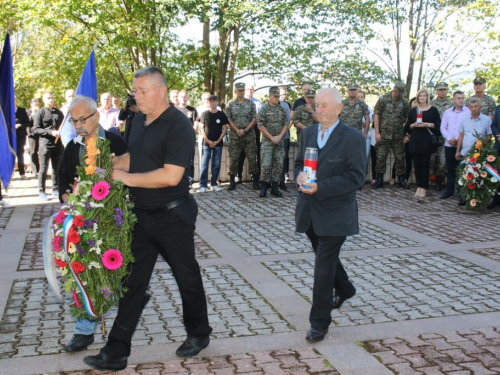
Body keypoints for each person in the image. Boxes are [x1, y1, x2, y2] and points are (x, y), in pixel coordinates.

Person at [83, 66, 212, 371]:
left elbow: (171, 175)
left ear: (161, 90)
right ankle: (115, 352)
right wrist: (105, 167)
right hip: (139, 216)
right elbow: (129, 157)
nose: (136, 97)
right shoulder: (137, 121)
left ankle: (199, 333)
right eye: (134, 91)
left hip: (173, 216)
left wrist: (124, 178)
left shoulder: (178, 125)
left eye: (142, 91)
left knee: (186, 277)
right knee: (132, 282)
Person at [57, 95, 129, 353]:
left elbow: (128, 177)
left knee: (111, 271)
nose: (78, 125)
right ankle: (84, 331)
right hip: (80, 224)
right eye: (74, 121)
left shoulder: (115, 142)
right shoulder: (72, 146)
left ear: (96, 116)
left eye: (82, 119)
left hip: (111, 222)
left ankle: (131, 294)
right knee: (82, 275)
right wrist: (72, 203)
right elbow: (63, 181)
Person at [295, 88, 366, 342]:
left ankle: (319, 322)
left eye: (325, 105)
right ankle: (345, 288)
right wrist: (299, 177)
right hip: (309, 211)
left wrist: (321, 187)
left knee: (323, 267)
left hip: (336, 213)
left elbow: (356, 177)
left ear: (339, 109)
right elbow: (297, 165)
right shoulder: (307, 133)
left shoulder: (352, 138)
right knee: (326, 257)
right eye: (317, 105)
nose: (319, 109)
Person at [372, 82, 410, 189]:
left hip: (398, 135)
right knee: (380, 157)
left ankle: (401, 179)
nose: (400, 95)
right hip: (384, 134)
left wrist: (407, 134)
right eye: (399, 92)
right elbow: (376, 115)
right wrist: (377, 132)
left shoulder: (404, 102)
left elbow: (407, 118)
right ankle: (379, 180)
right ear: (394, 90)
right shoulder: (383, 99)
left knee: (400, 158)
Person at [404, 89, 441, 199]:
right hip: (416, 140)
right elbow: (407, 126)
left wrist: (427, 124)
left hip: (427, 140)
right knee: (417, 164)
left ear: (427, 97)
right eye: (420, 96)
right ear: (417, 97)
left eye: (424, 96)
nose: (422, 98)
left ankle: (424, 187)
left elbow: (438, 125)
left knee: (425, 164)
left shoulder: (433, 110)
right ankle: (418, 185)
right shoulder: (413, 111)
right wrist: (413, 125)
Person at [455, 98, 492, 206]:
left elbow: (489, 136)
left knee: (478, 176)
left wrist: (482, 144)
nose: (473, 109)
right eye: (471, 107)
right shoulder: (464, 120)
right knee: (464, 175)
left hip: (479, 153)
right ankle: (463, 197)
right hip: (465, 152)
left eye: (476, 106)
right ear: (468, 108)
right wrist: (458, 151)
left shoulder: (486, 120)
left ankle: (477, 198)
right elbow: (461, 136)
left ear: (480, 107)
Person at [226, 82, 260, 190]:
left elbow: (254, 119)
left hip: (249, 135)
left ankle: (255, 180)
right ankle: (232, 180)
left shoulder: (251, 104)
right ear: (235, 91)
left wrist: (245, 130)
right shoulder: (230, 104)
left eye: (242, 90)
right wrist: (237, 130)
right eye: (239, 90)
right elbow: (228, 119)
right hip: (235, 135)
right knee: (234, 158)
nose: (241, 92)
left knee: (251, 158)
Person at [33, 90, 64, 201]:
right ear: (43, 99)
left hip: (58, 144)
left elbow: (63, 126)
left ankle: (55, 188)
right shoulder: (40, 113)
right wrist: (50, 132)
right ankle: (41, 191)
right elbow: (36, 129)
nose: (51, 100)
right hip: (45, 144)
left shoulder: (59, 113)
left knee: (57, 168)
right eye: (48, 98)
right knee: (44, 168)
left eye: (52, 97)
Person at [257, 87, 288, 197]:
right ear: (270, 96)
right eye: (275, 96)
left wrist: (279, 136)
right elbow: (260, 125)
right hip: (267, 141)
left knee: (278, 164)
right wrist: (271, 137)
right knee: (266, 164)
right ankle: (264, 186)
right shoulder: (264, 108)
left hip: (279, 141)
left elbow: (286, 124)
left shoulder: (282, 109)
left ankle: (275, 186)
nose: (277, 98)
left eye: (278, 96)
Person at [439, 91, 470, 200]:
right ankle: (449, 190)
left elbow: (468, 128)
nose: (461, 100)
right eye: (458, 98)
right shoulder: (448, 112)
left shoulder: (468, 112)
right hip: (449, 144)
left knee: (462, 168)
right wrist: (449, 138)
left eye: (462, 98)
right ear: (453, 99)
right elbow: (443, 127)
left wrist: (458, 140)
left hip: (462, 145)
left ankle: (462, 192)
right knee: (450, 168)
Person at [199, 95, 228, 192]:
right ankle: (203, 185)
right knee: (204, 164)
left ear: (217, 101)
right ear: (208, 102)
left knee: (216, 164)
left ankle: (214, 183)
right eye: (210, 101)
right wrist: (207, 141)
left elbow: (224, 129)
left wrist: (219, 140)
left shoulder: (221, 114)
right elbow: (201, 129)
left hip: (218, 143)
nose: (212, 102)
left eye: (214, 100)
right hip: (206, 143)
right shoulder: (204, 114)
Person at [429, 82, 453, 191]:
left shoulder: (452, 104)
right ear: (436, 91)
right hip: (432, 136)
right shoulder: (431, 103)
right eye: (440, 89)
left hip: (446, 136)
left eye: (444, 89)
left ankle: (439, 180)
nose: (442, 91)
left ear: (447, 90)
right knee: (431, 159)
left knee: (443, 161)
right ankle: (431, 178)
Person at [237, 84, 262, 183]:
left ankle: (255, 176)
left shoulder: (258, 102)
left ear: (253, 91)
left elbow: (258, 117)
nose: (249, 91)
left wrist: (248, 129)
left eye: (251, 89)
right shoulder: (237, 102)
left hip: (254, 129)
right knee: (240, 154)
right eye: (247, 89)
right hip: (239, 130)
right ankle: (238, 175)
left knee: (254, 153)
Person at [176, 90, 199, 189]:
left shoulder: (192, 110)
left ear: (188, 98)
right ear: (178, 98)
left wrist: (188, 134)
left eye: (185, 97)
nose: (183, 99)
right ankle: (178, 180)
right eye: (181, 97)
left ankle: (189, 180)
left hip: (189, 140)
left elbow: (196, 125)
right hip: (177, 141)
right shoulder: (174, 110)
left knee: (190, 161)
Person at [278, 86, 292, 189]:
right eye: (281, 94)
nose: (283, 97)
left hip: (284, 136)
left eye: (284, 95)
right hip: (271, 137)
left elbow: (288, 121)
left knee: (283, 158)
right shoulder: (267, 106)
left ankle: (282, 181)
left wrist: (281, 134)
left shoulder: (286, 105)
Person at [14, 96, 30, 180]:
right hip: (10, 136)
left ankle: (22, 173)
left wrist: (20, 125)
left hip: (20, 136)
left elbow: (28, 123)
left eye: (14, 100)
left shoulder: (21, 110)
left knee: (20, 154)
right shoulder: (6, 111)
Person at [488, 103, 500, 208]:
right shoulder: (498, 108)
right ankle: (497, 199)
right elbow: (494, 124)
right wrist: (497, 135)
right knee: (497, 174)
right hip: (499, 146)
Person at [26, 98, 40, 176]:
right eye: (35, 105)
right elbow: (27, 122)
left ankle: (40, 168)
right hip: (32, 133)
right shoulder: (28, 112)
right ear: (31, 105)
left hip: (40, 133)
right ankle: (35, 170)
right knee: (33, 151)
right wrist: (33, 114)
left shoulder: (41, 111)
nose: (36, 107)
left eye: (37, 105)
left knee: (41, 151)